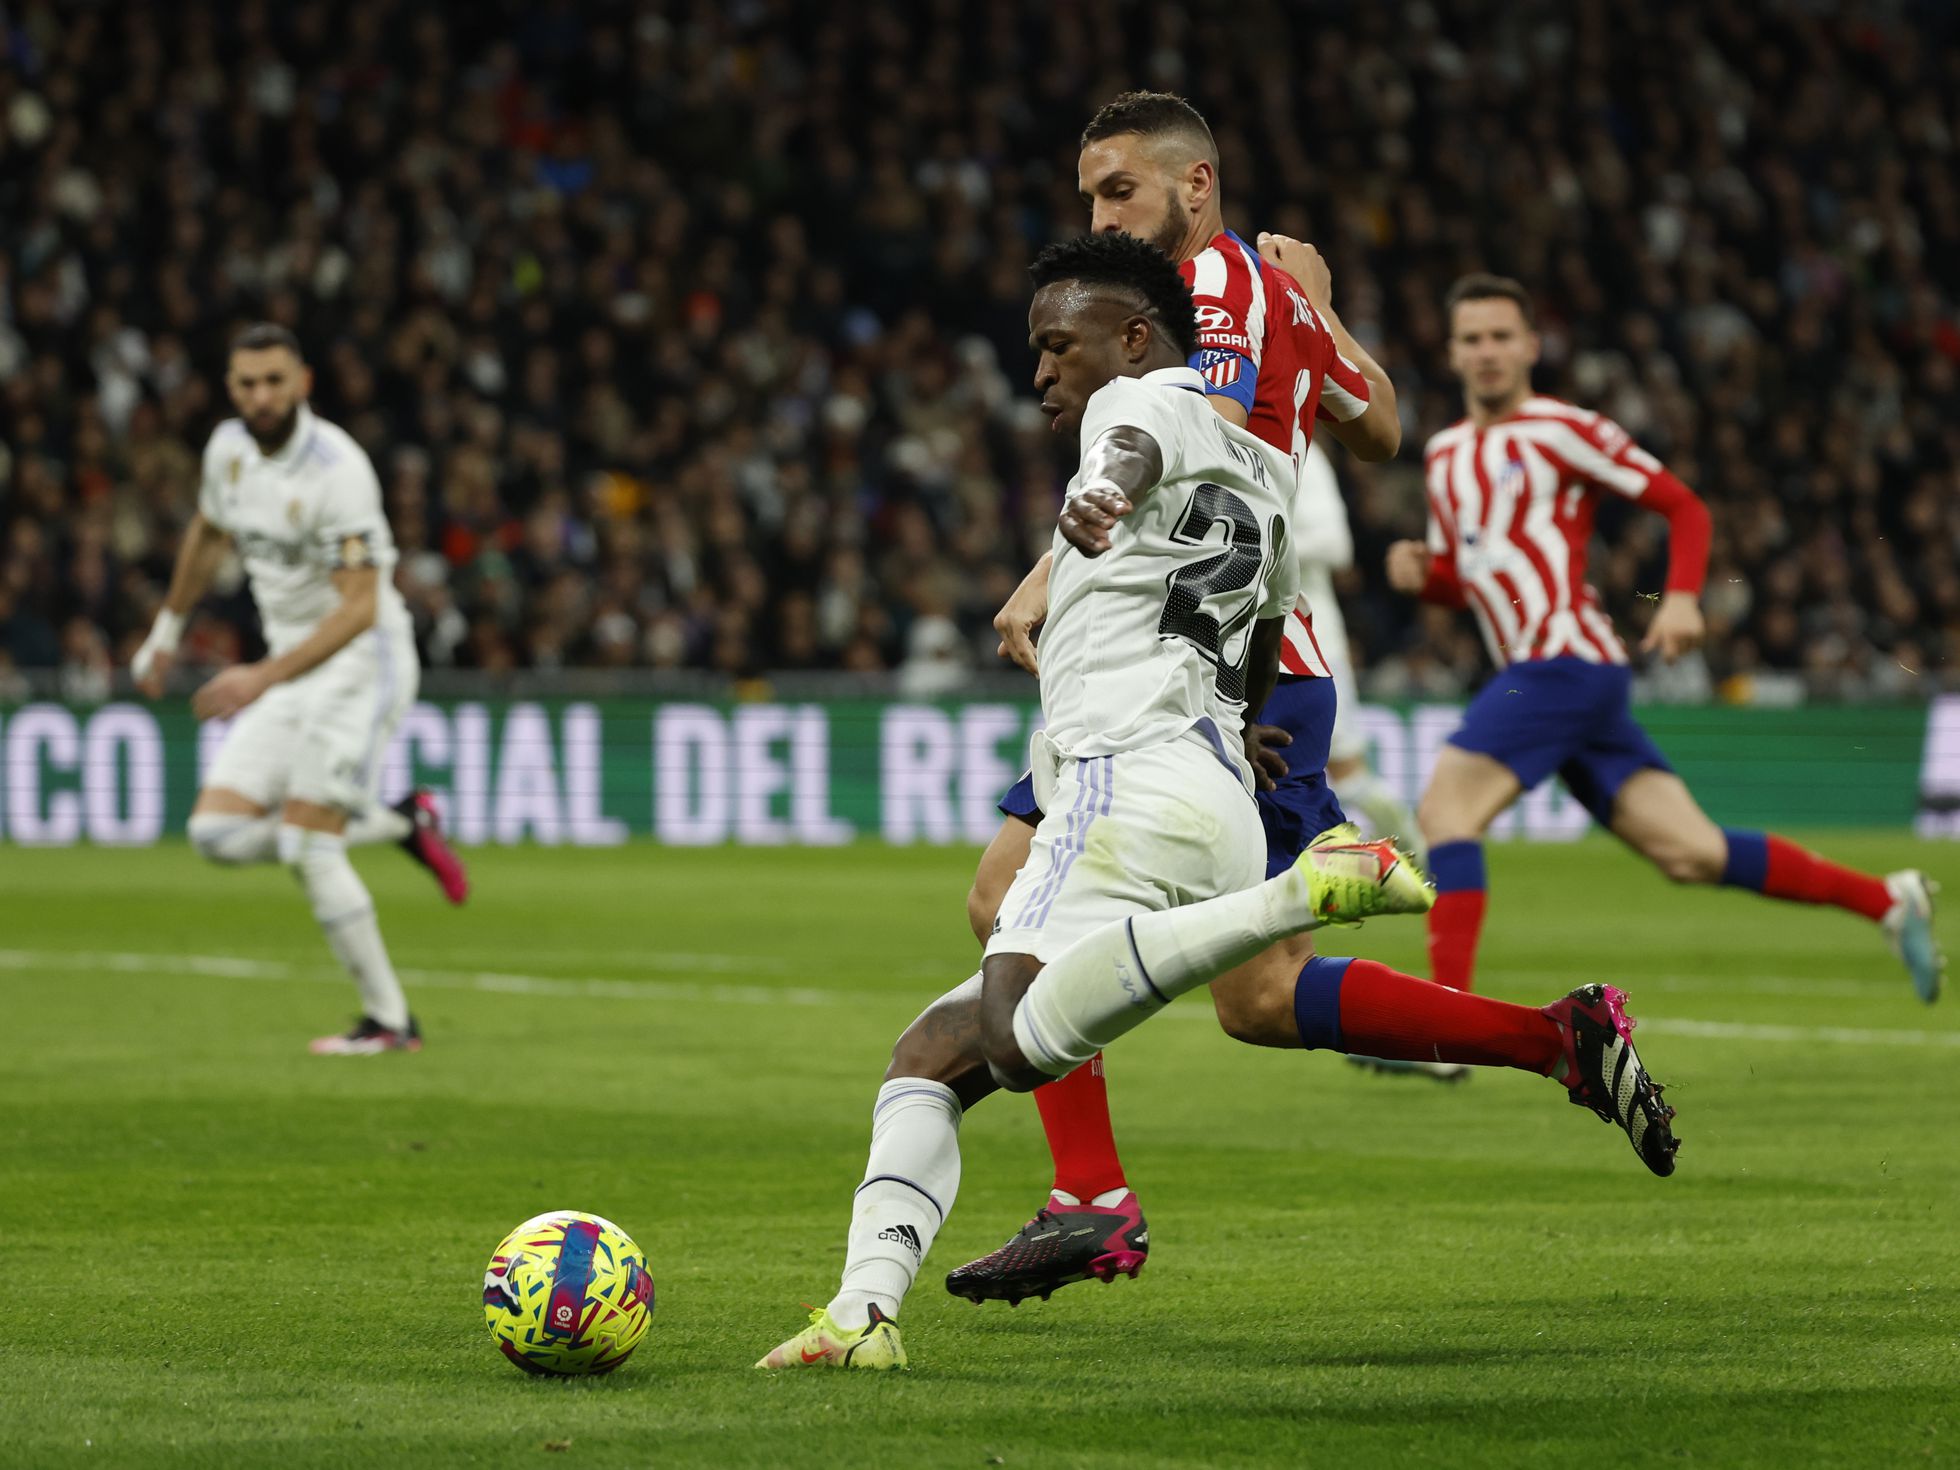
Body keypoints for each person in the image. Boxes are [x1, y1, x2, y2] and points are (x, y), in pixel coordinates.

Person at [755, 235, 1677, 1371]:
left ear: (1135, 333)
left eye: (1057, 346)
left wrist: (1097, 495)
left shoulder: (1136, 398)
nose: (1041, 372)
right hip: (1209, 781)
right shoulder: (1265, 471)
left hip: (1120, 777)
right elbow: (1263, 618)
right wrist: (1243, 723)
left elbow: (1129, 446)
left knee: (1013, 1028)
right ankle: (861, 1318)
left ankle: (1289, 918)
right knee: (929, 1053)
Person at [947, 89, 1414, 1304]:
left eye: (1120, 191)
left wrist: (1046, 569)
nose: (1101, 215)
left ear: (1194, 186)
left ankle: (1091, 1199)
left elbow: (1181, 445)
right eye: (1089, 196)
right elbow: (1384, 430)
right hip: (1193, 654)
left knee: (1245, 992)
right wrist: (1322, 306)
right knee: (1225, 986)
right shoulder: (1267, 298)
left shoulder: (1198, 306)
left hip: (1217, 667)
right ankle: (1087, 1196)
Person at [1392, 274, 1944, 1004]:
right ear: (1453, 353)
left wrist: (1681, 598)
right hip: (1555, 675)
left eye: (1501, 336)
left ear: (1531, 345)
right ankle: (1886, 899)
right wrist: (1424, 578)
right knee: (1692, 852)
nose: (1487, 352)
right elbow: (1473, 580)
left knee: (1445, 813)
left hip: (1566, 661)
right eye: (1472, 339)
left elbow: (1682, 506)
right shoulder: (1445, 456)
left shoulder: (1565, 429)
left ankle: (1447, 1030)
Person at [130, 324, 470, 1055]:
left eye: (274, 381)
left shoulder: (338, 471)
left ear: (303, 383)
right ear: (231, 389)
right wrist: (165, 632)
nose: (261, 396)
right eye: (247, 383)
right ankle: (403, 824)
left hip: (361, 664)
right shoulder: (226, 450)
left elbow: (356, 608)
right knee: (214, 836)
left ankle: (390, 1023)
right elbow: (207, 532)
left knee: (310, 848)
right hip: (289, 663)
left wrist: (258, 677)